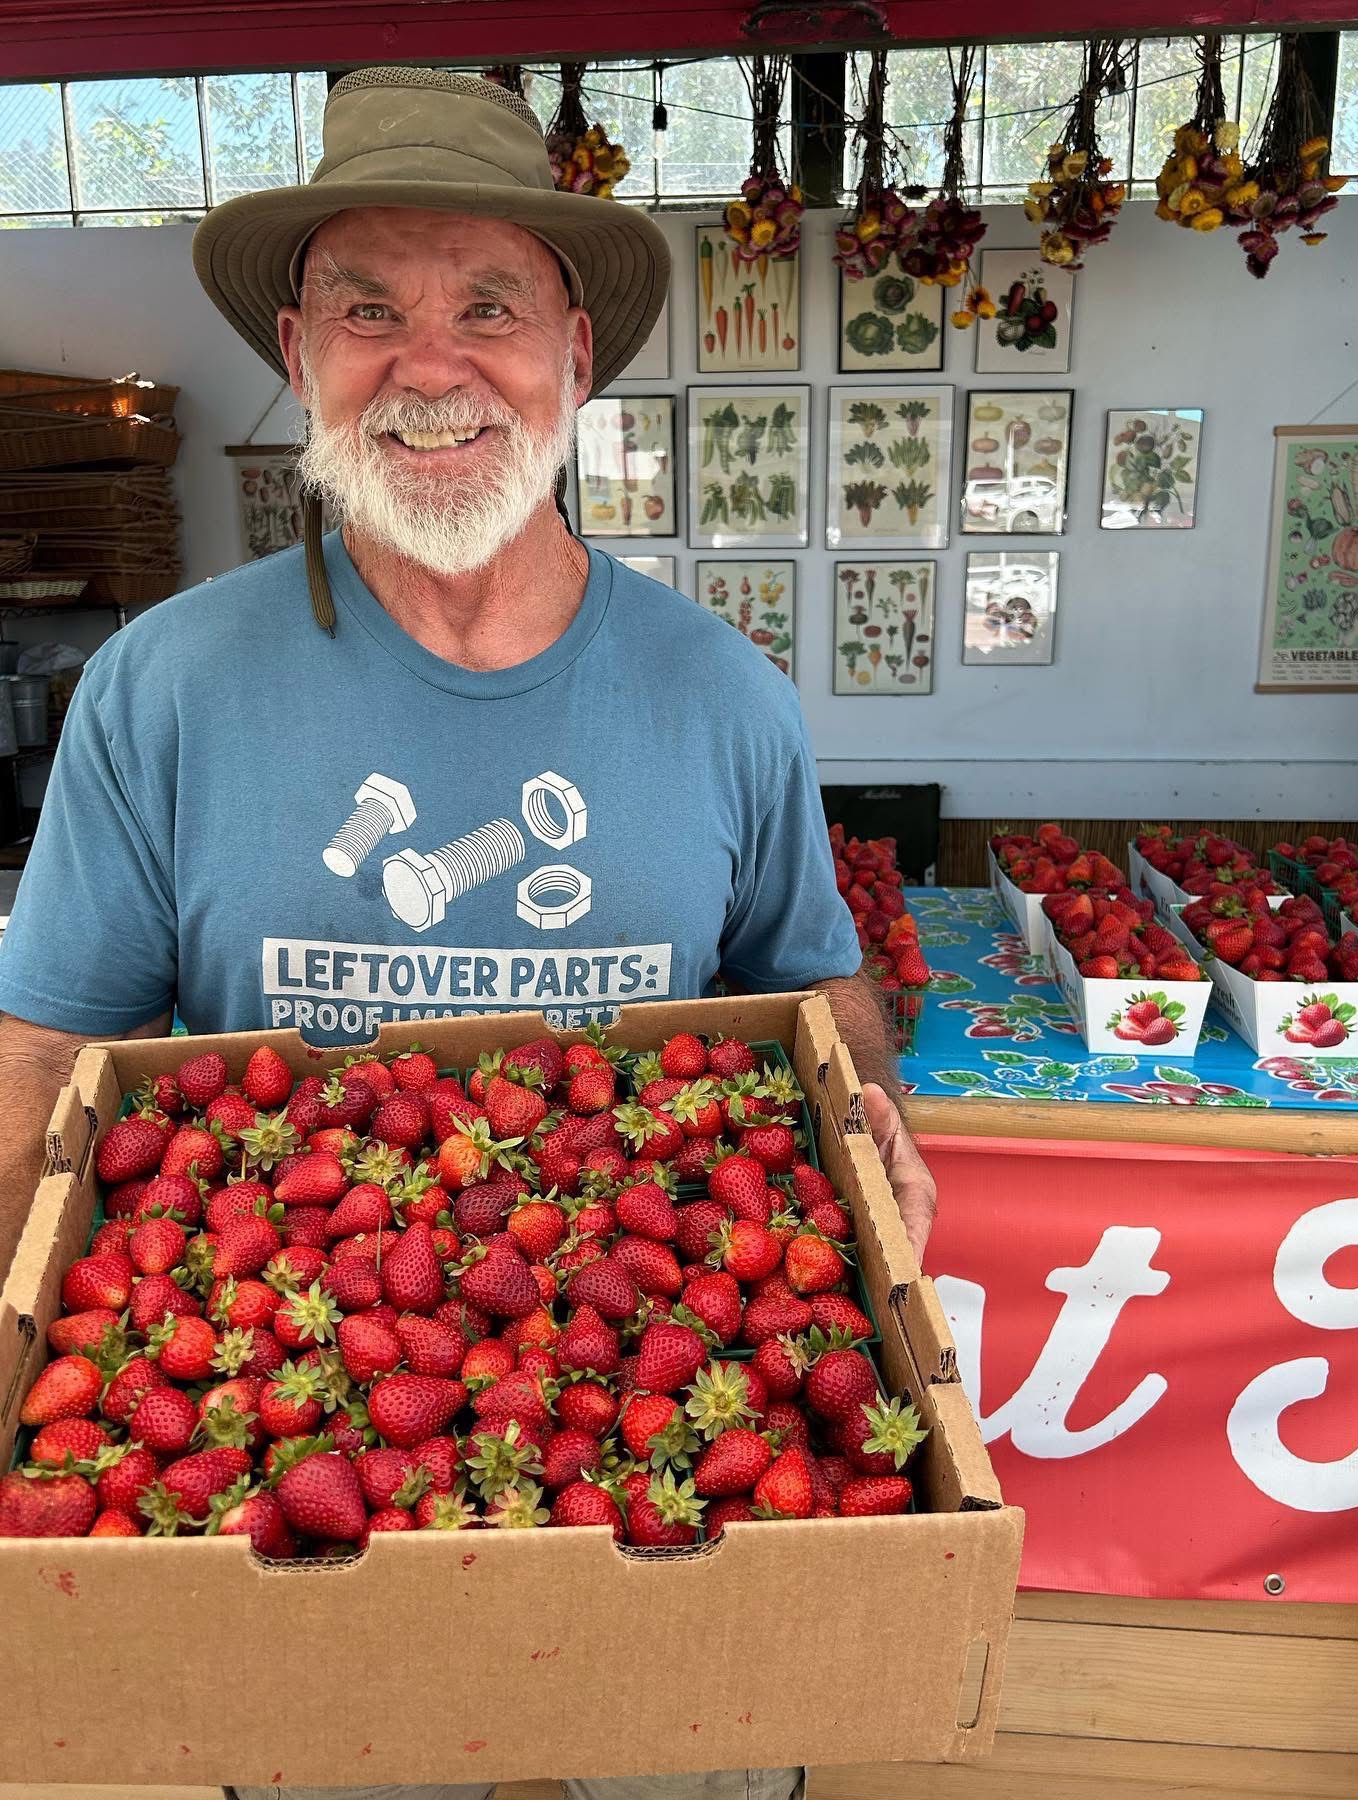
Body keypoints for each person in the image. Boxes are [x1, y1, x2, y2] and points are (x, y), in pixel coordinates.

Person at [0, 67, 938, 1800]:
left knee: (696, 1778)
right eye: (371, 313)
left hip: (666, 1501)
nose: (431, 368)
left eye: (488, 309)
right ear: (301, 355)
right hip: (297, 1510)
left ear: (575, 355)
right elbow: (45, 1050)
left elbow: (813, 993)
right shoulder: (159, 690)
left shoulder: (722, 693)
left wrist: (878, 1129)